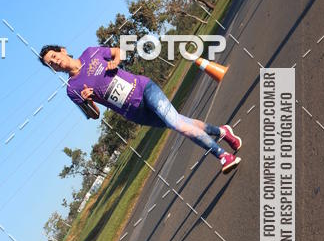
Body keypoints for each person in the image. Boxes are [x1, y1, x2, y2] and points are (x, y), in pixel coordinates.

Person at [39, 44, 242, 174]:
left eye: (55, 56)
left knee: (178, 124)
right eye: (51, 64)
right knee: (181, 122)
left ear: (63, 51)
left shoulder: (90, 53)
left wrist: (115, 62)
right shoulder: (72, 90)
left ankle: (223, 155)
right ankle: (222, 131)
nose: (55, 62)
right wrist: (86, 102)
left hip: (144, 89)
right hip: (134, 112)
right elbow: (94, 115)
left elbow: (118, 51)